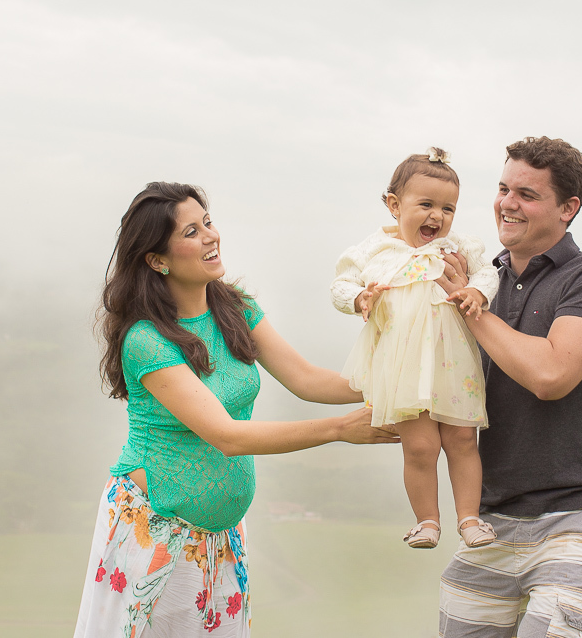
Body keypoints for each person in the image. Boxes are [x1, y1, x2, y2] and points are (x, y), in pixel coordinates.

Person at [74, 182, 399, 638]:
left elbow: (307, 379)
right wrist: (340, 428)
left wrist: (400, 385)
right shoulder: (146, 340)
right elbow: (226, 436)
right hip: (154, 532)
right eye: (191, 231)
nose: (210, 236)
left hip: (221, 538)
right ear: (157, 259)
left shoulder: (236, 308)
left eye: (207, 222)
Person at [437, 137, 582, 638]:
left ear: (569, 208)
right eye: (503, 189)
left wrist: (469, 305)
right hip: (491, 518)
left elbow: (551, 376)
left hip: (579, 512)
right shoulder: (483, 281)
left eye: (526, 194)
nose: (507, 203)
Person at [331, 148, 500, 550]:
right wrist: (359, 299)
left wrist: (476, 290)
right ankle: (427, 521)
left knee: (461, 440)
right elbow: (339, 286)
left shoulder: (457, 247)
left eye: (448, 208)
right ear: (394, 205)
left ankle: (470, 519)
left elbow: (487, 273)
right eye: (426, 204)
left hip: (453, 360)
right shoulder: (372, 251)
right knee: (420, 445)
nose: (437, 217)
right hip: (403, 366)